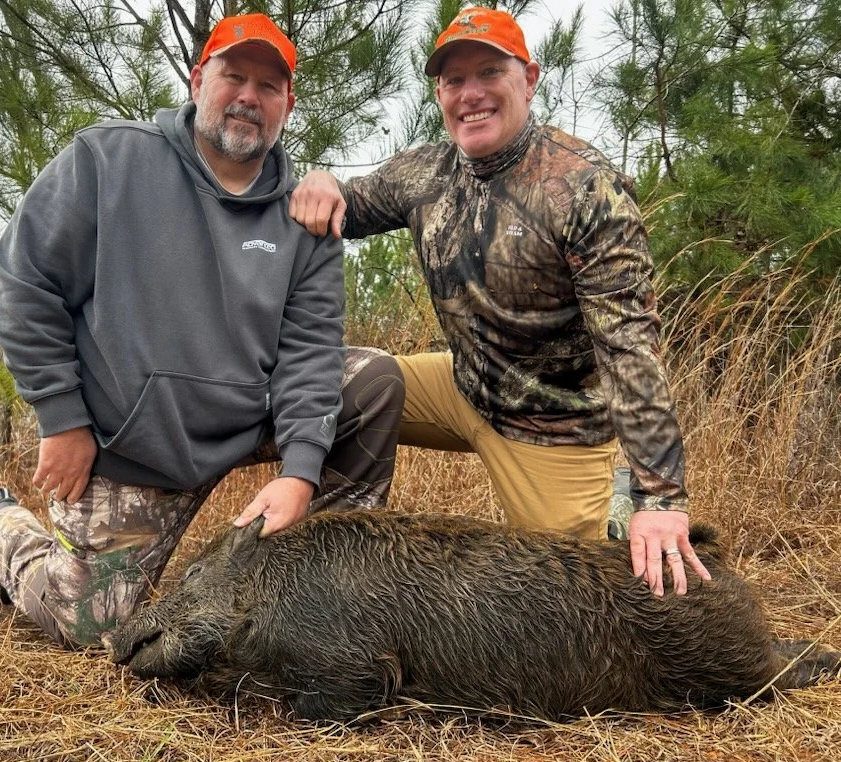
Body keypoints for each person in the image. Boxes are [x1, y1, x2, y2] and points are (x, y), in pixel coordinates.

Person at [0, 13, 405, 649]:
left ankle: (322, 596)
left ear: (287, 105)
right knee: (93, 627)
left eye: (268, 86)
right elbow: (25, 281)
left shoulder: (304, 218)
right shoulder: (108, 160)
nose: (249, 97)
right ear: (199, 80)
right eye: (234, 76)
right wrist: (61, 418)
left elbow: (310, 352)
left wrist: (301, 471)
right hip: (137, 447)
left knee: (373, 382)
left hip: (247, 419)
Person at [289, 6, 711, 596]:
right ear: (439, 93)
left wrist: (661, 499)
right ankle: (316, 577)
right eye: (454, 79)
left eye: (490, 72)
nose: (471, 94)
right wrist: (320, 181)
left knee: (568, 605)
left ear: (530, 80)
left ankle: (613, 508)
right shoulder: (425, 173)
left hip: (556, 427)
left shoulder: (584, 186)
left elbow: (630, 347)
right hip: (462, 387)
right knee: (332, 386)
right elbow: (341, 206)